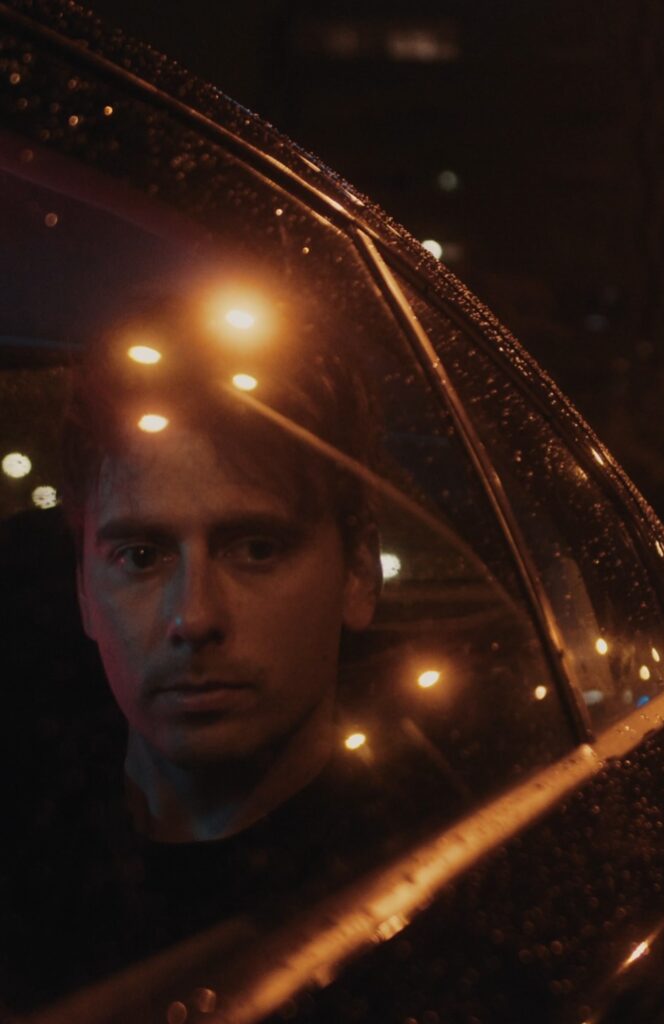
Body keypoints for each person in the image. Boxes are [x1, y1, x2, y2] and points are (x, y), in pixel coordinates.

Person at [0, 287, 393, 1010]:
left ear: (359, 574)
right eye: (142, 557)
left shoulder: (399, 870)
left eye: (256, 548)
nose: (194, 616)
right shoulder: (30, 839)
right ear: (83, 592)